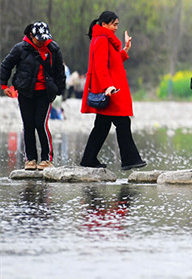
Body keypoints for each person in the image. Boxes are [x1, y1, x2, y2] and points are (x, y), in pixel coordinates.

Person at [79, 11, 147, 170]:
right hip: (111, 90)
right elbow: (100, 66)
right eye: (114, 24)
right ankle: (130, 160)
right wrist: (107, 86)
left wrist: (125, 50)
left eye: (117, 24)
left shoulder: (103, 39)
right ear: (104, 24)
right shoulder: (102, 40)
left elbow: (113, 62)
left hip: (111, 88)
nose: (116, 27)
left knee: (102, 126)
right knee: (123, 122)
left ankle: (89, 159)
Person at [0, 21, 66, 170]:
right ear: (31, 35)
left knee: (40, 124)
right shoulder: (20, 48)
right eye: (39, 39)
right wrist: (4, 85)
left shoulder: (53, 49)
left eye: (44, 38)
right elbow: (6, 65)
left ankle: (46, 159)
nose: (42, 41)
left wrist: (59, 90)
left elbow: (59, 72)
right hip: (25, 92)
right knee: (28, 125)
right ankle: (30, 159)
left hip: (45, 93)